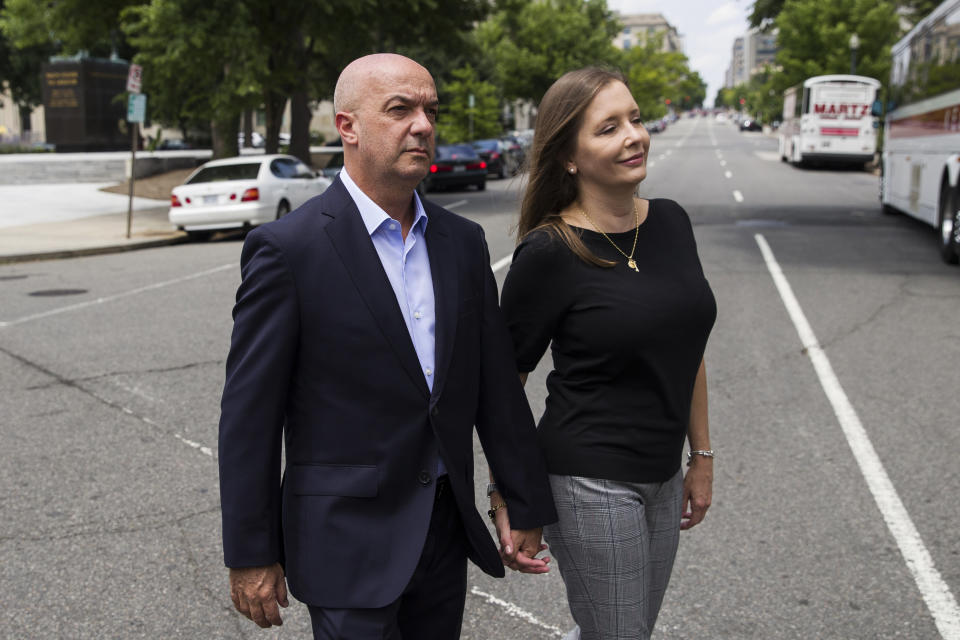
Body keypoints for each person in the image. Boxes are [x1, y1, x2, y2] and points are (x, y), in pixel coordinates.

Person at [217, 53, 556, 640]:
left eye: (429, 109)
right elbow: (249, 416)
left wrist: (521, 502)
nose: (423, 125)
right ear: (347, 126)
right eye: (400, 109)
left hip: (443, 536)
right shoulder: (288, 250)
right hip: (345, 542)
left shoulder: (461, 242)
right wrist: (250, 552)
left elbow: (495, 387)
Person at [493, 67, 717, 640]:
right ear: (569, 156)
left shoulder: (671, 221)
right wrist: (509, 494)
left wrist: (702, 457)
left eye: (636, 120)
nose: (633, 136)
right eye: (608, 128)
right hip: (588, 478)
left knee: (626, 631)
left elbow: (687, 347)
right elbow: (503, 386)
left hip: (664, 476)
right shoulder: (548, 251)